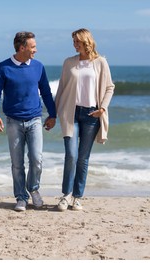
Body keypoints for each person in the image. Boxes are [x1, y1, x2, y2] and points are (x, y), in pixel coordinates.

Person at [0, 31, 56, 212]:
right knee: (17, 163)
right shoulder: (3, 67)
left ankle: (33, 189)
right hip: (13, 121)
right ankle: (21, 197)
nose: (36, 49)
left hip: (35, 119)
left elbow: (46, 92)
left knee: (36, 159)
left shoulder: (38, 67)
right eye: (32, 46)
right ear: (22, 47)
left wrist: (53, 114)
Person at [55, 28, 115, 211]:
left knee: (83, 158)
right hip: (70, 113)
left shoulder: (100, 62)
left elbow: (109, 87)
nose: (74, 45)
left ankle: (77, 197)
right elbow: (61, 89)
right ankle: (66, 195)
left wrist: (102, 108)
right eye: (73, 42)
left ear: (86, 41)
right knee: (71, 155)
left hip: (91, 115)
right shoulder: (69, 63)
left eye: (77, 42)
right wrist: (52, 114)